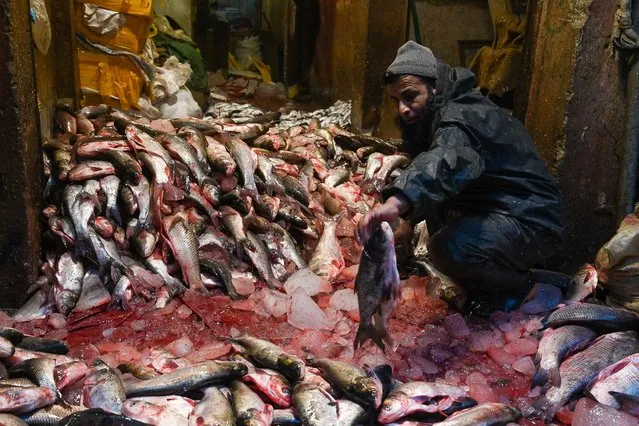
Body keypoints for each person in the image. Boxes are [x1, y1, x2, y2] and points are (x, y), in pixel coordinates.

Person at [356, 41, 565, 315]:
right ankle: (486, 275)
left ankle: (525, 288)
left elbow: (446, 161)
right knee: (439, 222)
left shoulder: (460, 117)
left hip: (533, 221)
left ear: (435, 88)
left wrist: (396, 204)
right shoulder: (444, 111)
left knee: (447, 248)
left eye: (410, 96)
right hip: (504, 210)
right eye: (396, 100)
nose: (403, 109)